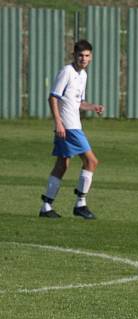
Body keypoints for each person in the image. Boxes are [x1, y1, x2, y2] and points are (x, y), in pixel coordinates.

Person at [39, 39, 104, 219]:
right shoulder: (67, 72)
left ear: (91, 57)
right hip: (69, 127)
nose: (83, 59)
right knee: (92, 161)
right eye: (80, 55)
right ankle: (80, 204)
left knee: (62, 164)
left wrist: (92, 107)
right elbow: (53, 97)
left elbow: (78, 102)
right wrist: (59, 122)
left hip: (72, 125)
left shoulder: (83, 75)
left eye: (87, 56)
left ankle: (46, 206)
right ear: (74, 55)